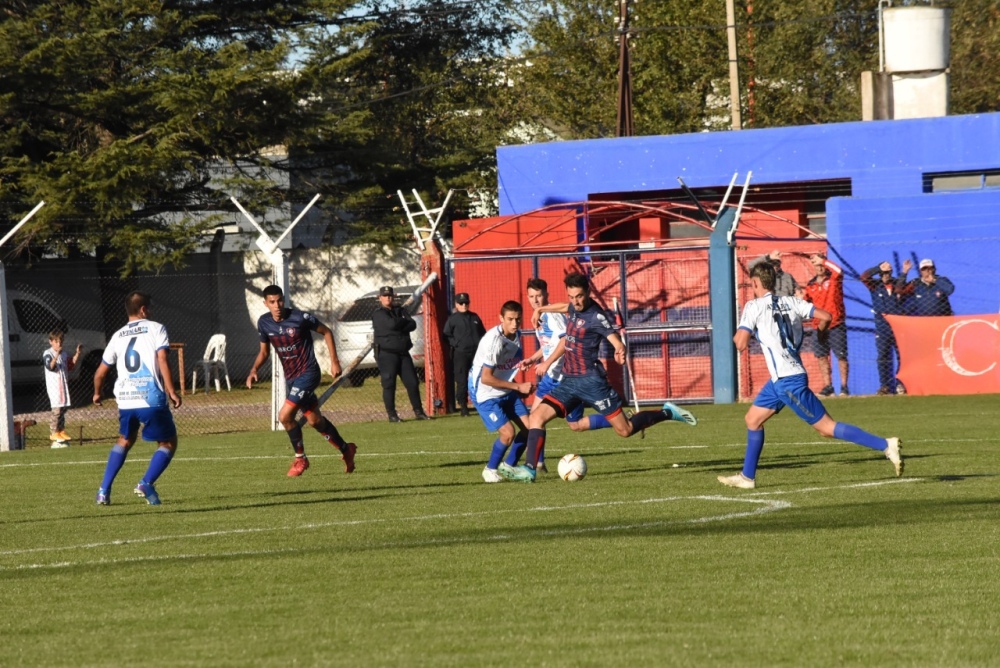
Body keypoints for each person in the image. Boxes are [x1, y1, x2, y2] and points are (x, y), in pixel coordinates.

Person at [718, 261, 902, 490]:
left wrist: (739, 335)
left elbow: (741, 343)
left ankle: (885, 445)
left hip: (788, 382)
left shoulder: (753, 306)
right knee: (752, 420)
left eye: (752, 284)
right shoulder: (792, 301)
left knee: (826, 428)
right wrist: (822, 334)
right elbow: (825, 316)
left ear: (755, 283)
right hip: (783, 378)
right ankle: (747, 477)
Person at [499, 273, 697, 483]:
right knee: (537, 418)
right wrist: (541, 309)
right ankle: (530, 469)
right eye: (572, 296)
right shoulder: (574, 306)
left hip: (592, 382)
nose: (576, 301)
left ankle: (667, 412)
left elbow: (616, 341)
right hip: (568, 381)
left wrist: (619, 351)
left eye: (580, 296)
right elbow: (565, 307)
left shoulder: (596, 316)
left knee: (626, 430)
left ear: (589, 293)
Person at [246, 284, 357, 477]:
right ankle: (346, 449)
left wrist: (334, 362)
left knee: (284, 416)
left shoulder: (300, 318)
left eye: (280, 300)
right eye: (272, 302)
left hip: (309, 373)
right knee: (315, 421)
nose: (277, 305)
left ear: (284, 300)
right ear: (266, 304)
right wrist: (254, 369)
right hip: (291, 378)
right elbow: (264, 352)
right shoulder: (264, 323)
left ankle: (300, 459)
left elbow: (327, 332)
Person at [505, 277, 614, 471]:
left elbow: (566, 341)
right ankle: (537, 464)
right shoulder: (540, 315)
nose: (535, 300)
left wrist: (546, 363)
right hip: (551, 377)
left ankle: (618, 421)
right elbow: (549, 344)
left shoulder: (552, 316)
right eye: (531, 296)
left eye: (539, 296)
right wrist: (534, 358)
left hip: (566, 378)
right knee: (535, 419)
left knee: (576, 425)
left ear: (547, 295)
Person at [92, 291, 182, 505]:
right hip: (149, 396)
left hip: (125, 399)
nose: (150, 312)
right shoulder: (156, 328)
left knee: (125, 439)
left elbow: (100, 373)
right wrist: (171, 390)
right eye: (149, 308)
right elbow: (162, 359)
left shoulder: (117, 335)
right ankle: (146, 483)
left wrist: (97, 392)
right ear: (143, 310)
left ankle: (103, 491)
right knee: (168, 442)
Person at [469, 300, 534, 483]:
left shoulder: (516, 335)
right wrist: (518, 387)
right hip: (484, 392)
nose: (514, 324)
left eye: (518, 319)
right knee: (508, 433)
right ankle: (490, 470)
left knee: (531, 428)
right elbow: (486, 377)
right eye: (510, 319)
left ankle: (509, 466)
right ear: (501, 318)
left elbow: (504, 368)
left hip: (504, 389)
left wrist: (515, 387)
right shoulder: (493, 342)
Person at [372, 285, 429, 422]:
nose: (388, 298)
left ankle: (419, 412)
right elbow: (391, 325)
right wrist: (402, 322)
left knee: (412, 382)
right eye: (385, 296)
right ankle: (392, 415)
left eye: (390, 295)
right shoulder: (378, 313)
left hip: (403, 353)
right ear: (380, 298)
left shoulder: (400, 310)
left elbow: (412, 325)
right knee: (389, 384)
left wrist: (399, 323)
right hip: (387, 354)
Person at [801, 254, 849, 396]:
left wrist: (824, 261)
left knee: (841, 356)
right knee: (821, 356)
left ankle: (844, 387)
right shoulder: (811, 285)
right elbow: (806, 303)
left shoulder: (834, 279)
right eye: (817, 265)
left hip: (836, 323)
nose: (820, 268)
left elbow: (839, 271)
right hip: (819, 326)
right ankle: (828, 386)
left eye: (821, 264)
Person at [861, 260, 908, 395]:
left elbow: (901, 287)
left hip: (898, 327)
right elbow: (863, 277)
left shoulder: (897, 284)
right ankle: (885, 386)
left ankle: (901, 384)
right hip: (882, 327)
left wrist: (904, 271)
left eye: (888, 272)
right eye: (883, 273)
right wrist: (878, 267)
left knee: (902, 356)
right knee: (883, 356)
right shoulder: (875, 286)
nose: (885, 275)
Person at [442, 292, 485, 416]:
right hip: (460, 354)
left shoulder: (475, 317)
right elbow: (446, 335)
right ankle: (463, 406)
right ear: (456, 304)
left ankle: (480, 403)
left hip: (476, 354)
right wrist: (456, 344)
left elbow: (482, 333)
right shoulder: (453, 319)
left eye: (466, 302)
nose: (464, 305)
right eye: (461, 303)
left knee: (479, 378)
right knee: (462, 380)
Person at [43, 330, 82, 448]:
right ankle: (53, 432)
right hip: (54, 387)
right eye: (56, 341)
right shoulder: (48, 353)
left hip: (63, 386)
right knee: (56, 410)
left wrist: (77, 354)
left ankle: (61, 430)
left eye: (61, 341)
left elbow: (70, 365)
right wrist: (56, 355)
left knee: (63, 409)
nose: (59, 344)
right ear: (51, 342)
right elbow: (50, 367)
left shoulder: (64, 354)